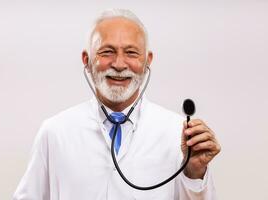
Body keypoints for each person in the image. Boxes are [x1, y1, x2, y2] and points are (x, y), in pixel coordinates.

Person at [13, 9, 221, 200]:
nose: (119, 64)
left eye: (131, 53)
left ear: (147, 60)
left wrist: (194, 174)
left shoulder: (181, 134)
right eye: (107, 52)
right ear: (86, 59)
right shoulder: (55, 132)